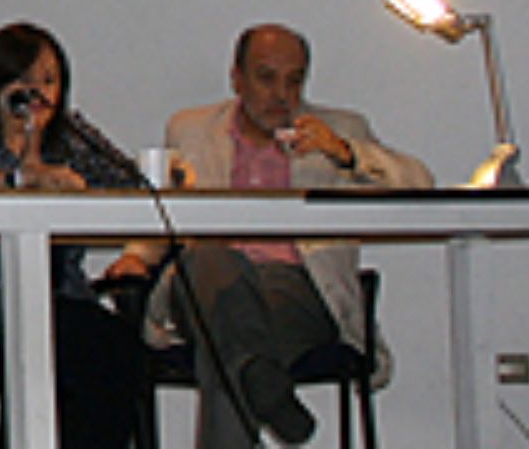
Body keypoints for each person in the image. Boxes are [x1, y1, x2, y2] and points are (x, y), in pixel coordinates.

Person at [107, 23, 433, 448]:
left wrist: (345, 153)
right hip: (206, 282)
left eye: (294, 80)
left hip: (295, 290)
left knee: (229, 353)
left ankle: (261, 378)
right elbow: (164, 210)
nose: (281, 94)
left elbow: (422, 185)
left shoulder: (338, 129)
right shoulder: (191, 131)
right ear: (236, 78)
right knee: (209, 260)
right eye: (266, 78)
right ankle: (265, 386)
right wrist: (138, 256)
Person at [0, 21, 145, 448]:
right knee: (73, 345)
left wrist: (76, 182)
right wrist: (23, 172)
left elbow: (130, 185)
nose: (39, 94)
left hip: (59, 300)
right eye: (25, 81)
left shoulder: (72, 138)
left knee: (113, 347)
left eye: (50, 81)